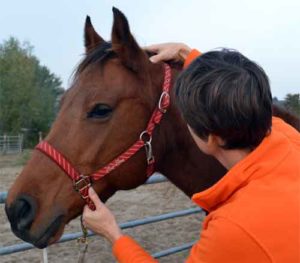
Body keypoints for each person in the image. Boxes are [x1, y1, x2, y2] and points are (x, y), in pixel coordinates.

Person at [82, 43, 300, 262]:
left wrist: (114, 234)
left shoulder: (231, 230)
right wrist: (185, 53)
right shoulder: (288, 138)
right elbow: (236, 93)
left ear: (209, 139)